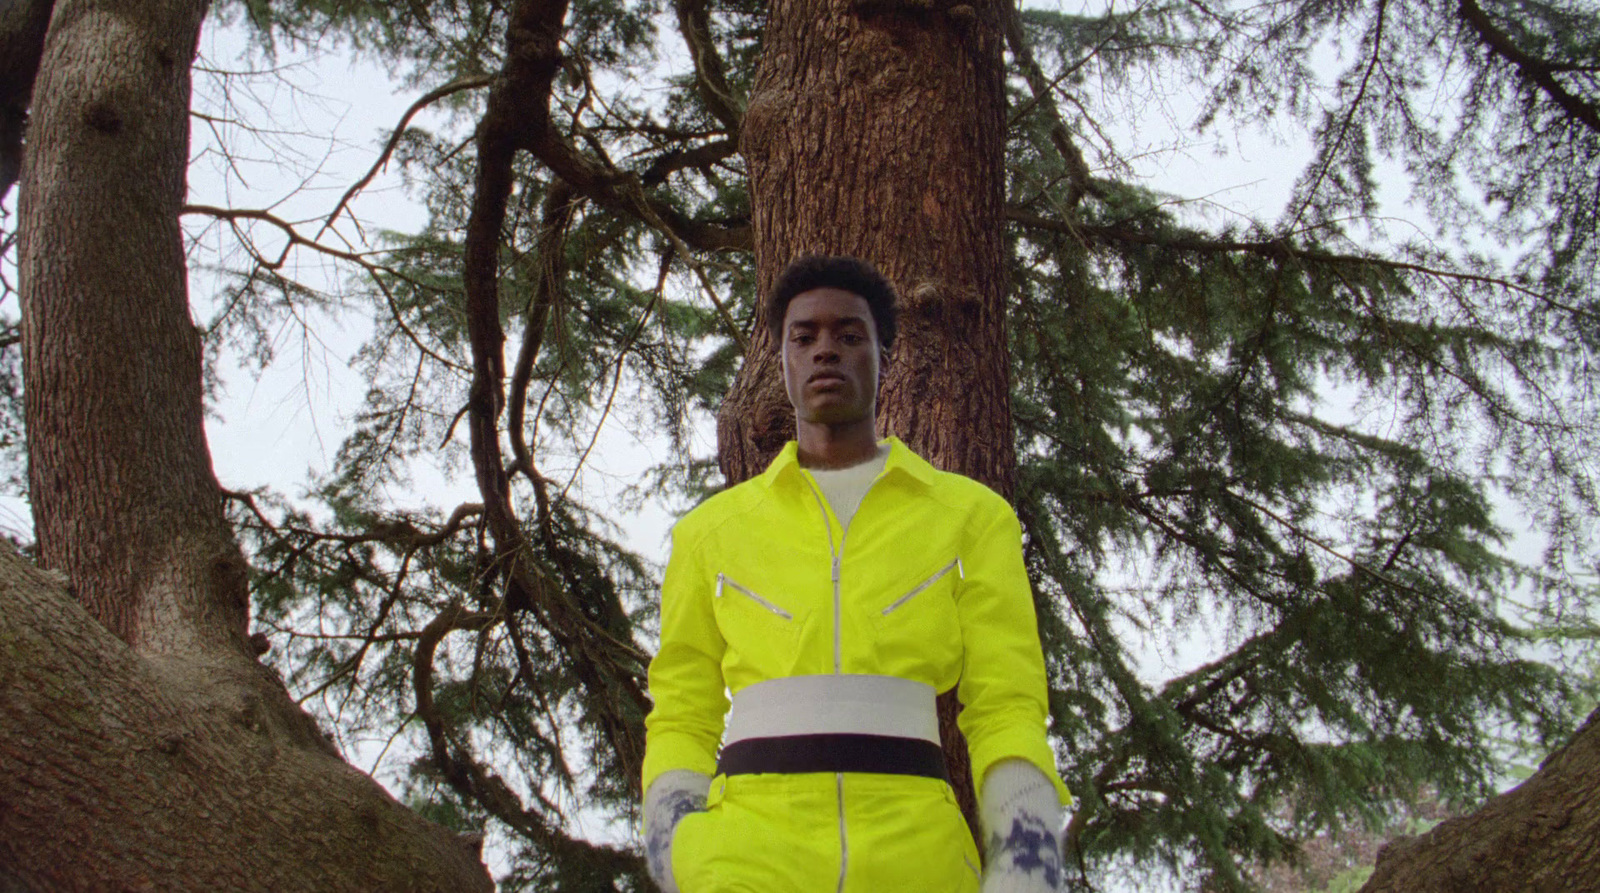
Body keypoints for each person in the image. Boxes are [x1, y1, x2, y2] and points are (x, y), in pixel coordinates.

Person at [642, 255, 1070, 892]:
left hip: (920, 868)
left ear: (884, 358)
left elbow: (1007, 704)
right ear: (780, 360)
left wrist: (1028, 865)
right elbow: (682, 711)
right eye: (804, 337)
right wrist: (672, 854)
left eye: (849, 336)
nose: (825, 352)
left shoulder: (974, 520)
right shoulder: (709, 533)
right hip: (738, 870)